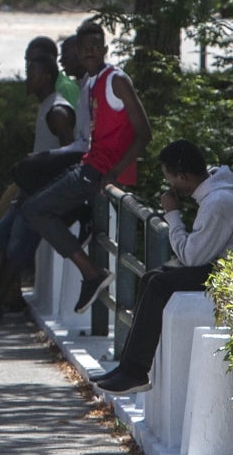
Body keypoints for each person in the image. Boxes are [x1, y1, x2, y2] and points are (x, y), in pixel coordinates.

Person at [22, 20, 152, 314]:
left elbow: (144, 133)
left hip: (99, 172)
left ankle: (92, 274)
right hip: (89, 166)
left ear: (105, 50)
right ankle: (87, 251)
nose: (90, 53)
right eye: (84, 49)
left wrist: (114, 174)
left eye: (96, 48)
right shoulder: (91, 83)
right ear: (78, 53)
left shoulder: (116, 80)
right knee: (32, 195)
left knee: (33, 209)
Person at [0, 39, 76, 326]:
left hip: (43, 196)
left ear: (46, 77)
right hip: (32, 192)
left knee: (16, 243)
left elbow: (72, 155)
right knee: (1, 236)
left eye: (32, 73)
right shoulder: (46, 106)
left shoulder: (57, 111)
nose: (26, 79)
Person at [92, 141, 233, 394]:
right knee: (151, 277)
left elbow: (191, 257)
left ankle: (135, 372)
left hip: (225, 274)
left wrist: (173, 213)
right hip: (218, 264)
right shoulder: (216, 187)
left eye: (171, 178)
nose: (171, 185)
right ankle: (128, 367)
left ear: (183, 176)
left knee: (158, 284)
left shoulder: (218, 202)